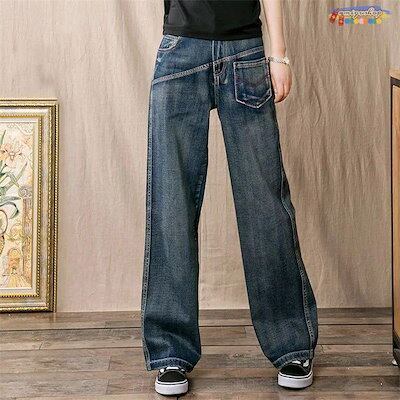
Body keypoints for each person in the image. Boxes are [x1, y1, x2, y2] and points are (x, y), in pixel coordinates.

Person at [141, 0, 319, 395]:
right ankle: (171, 351)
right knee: (171, 204)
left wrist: (279, 55)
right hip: (181, 49)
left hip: (246, 52)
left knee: (265, 204)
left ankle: (291, 344)